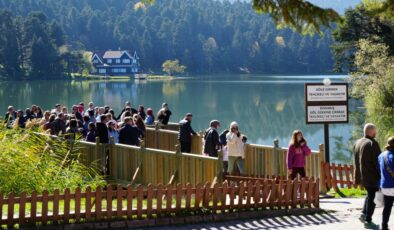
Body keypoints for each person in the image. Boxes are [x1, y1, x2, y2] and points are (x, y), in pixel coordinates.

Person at [354, 123, 381, 226]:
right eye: (375, 131)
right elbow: (378, 162)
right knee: (372, 196)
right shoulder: (372, 143)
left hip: (361, 175)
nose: (376, 133)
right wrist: (381, 175)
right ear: (372, 132)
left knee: (369, 194)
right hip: (371, 175)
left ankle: (363, 213)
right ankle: (368, 218)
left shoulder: (358, 142)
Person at [378, 137, 394, 230]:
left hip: (385, 186)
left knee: (387, 207)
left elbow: (378, 168)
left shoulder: (381, 155)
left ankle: (384, 225)